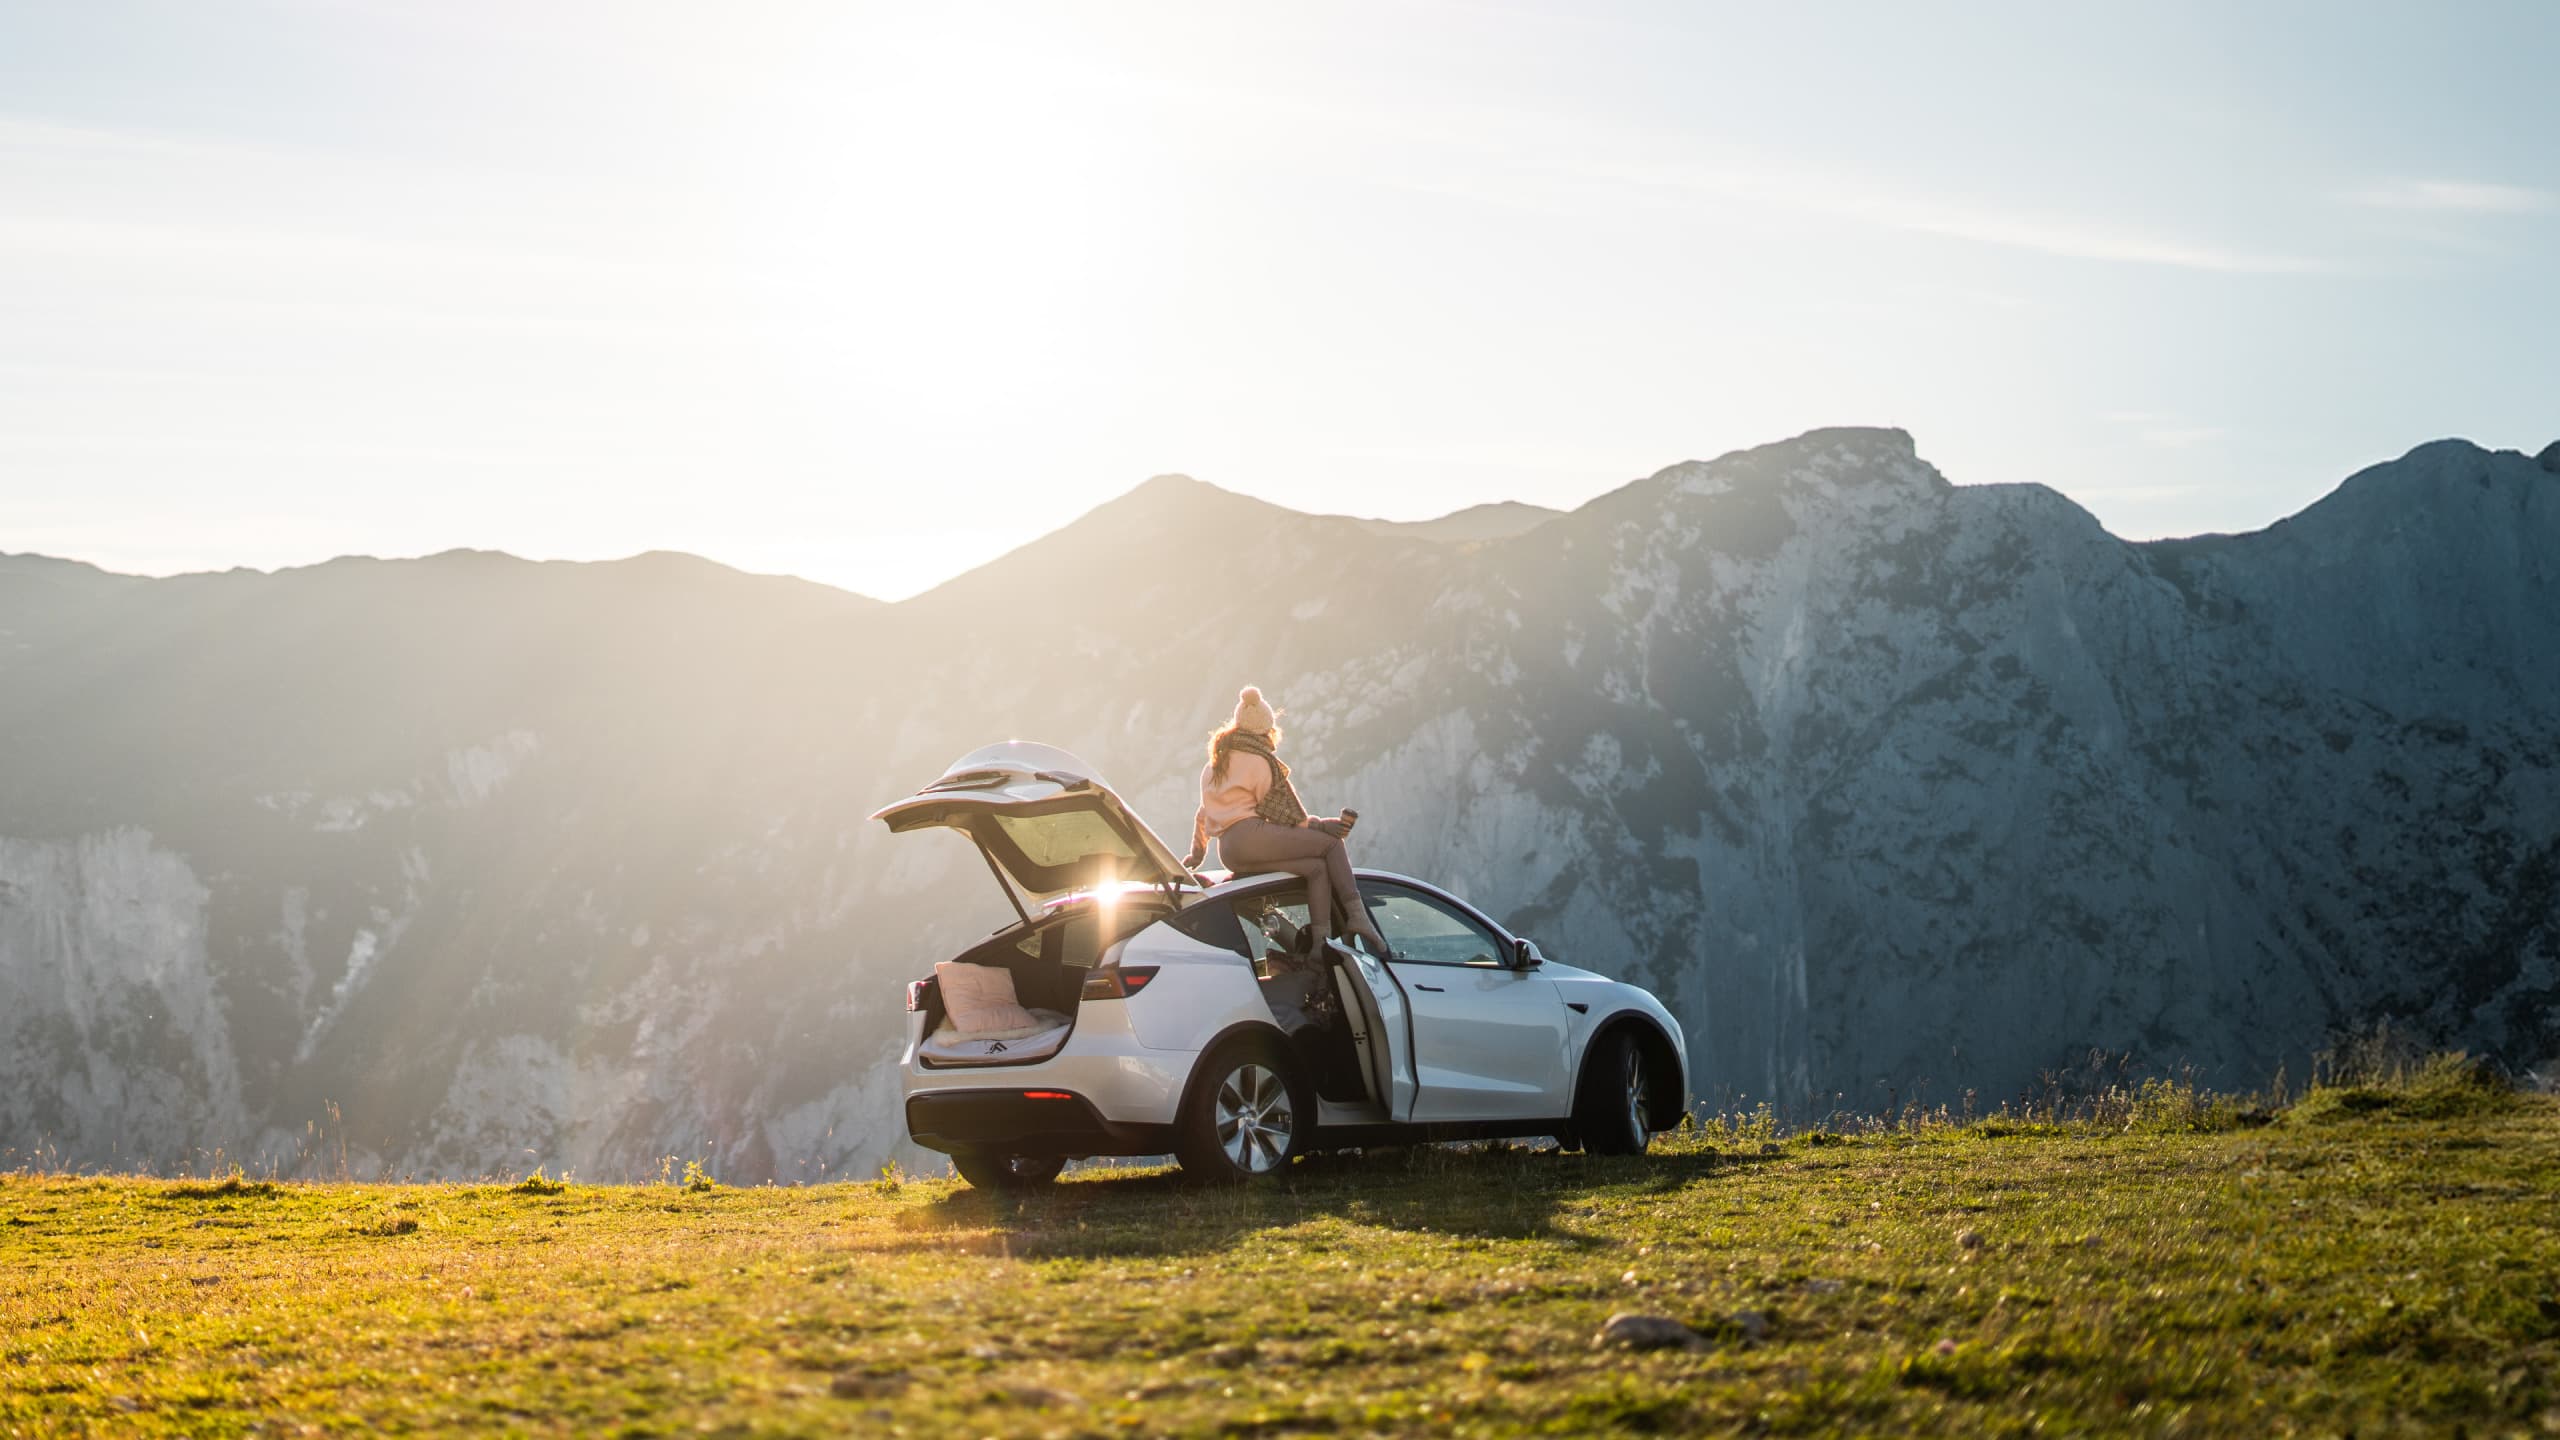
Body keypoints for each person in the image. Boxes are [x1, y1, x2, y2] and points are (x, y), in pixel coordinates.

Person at [1181, 686, 1391, 956]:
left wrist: (1196, 854)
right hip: (1251, 837)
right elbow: (1287, 816)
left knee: (1316, 869)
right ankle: (1357, 917)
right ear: (1266, 730)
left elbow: (1203, 814)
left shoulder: (1213, 766)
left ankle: (1319, 948)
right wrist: (1322, 826)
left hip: (1229, 852)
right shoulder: (1259, 761)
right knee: (1331, 845)